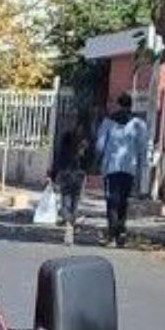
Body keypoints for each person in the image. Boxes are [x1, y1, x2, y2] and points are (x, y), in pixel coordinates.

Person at [95, 93, 148, 247]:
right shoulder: (139, 124)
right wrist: (141, 168)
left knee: (112, 201)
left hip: (111, 167)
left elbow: (99, 146)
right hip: (129, 168)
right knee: (123, 201)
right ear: (131, 106)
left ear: (118, 104)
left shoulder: (108, 122)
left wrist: (98, 160)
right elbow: (142, 148)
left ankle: (112, 235)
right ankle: (121, 234)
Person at [51, 118, 93, 246]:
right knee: (72, 200)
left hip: (68, 173)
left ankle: (68, 222)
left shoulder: (67, 138)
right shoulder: (85, 142)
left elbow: (59, 155)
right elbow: (89, 160)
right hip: (76, 174)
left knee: (68, 200)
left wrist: (55, 173)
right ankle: (70, 223)